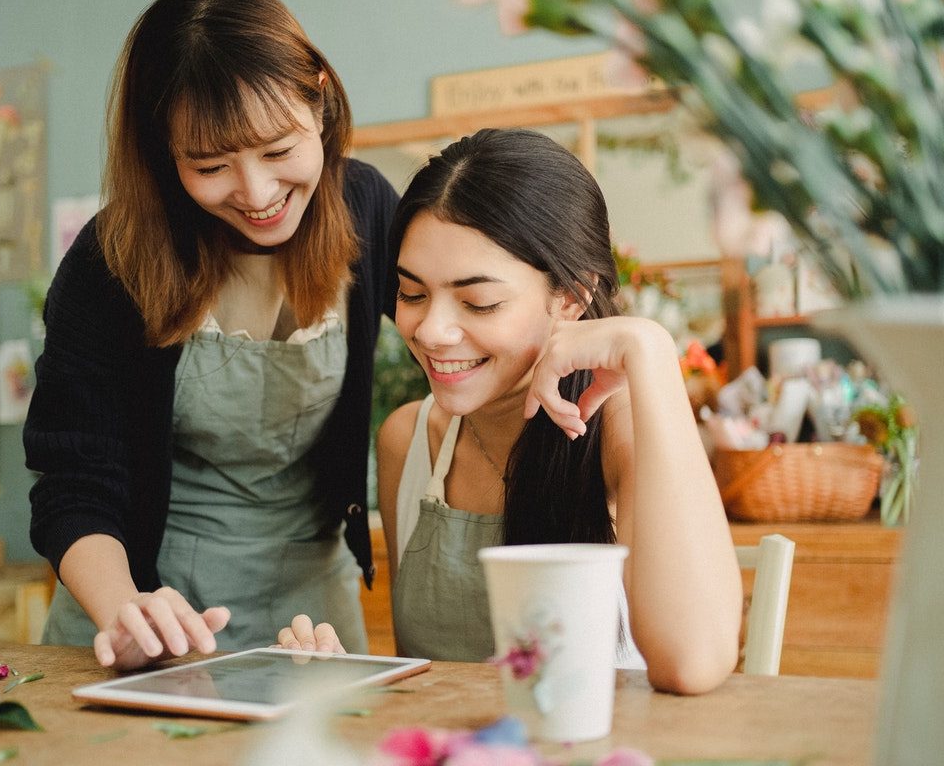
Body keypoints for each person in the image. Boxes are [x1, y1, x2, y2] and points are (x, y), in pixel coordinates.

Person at [278, 128, 742, 695]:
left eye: (480, 302)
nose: (431, 331)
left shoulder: (621, 432)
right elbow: (426, 690)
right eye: (412, 294)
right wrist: (340, 681)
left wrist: (648, 348)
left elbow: (691, 663)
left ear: (570, 297)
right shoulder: (410, 441)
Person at [23, 0, 398, 671]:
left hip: (310, 602)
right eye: (211, 164)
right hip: (141, 590)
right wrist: (123, 608)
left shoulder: (368, 210)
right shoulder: (113, 262)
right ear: (164, 151)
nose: (257, 195)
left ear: (319, 95)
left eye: (279, 150)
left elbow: (462, 326)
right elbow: (74, 480)